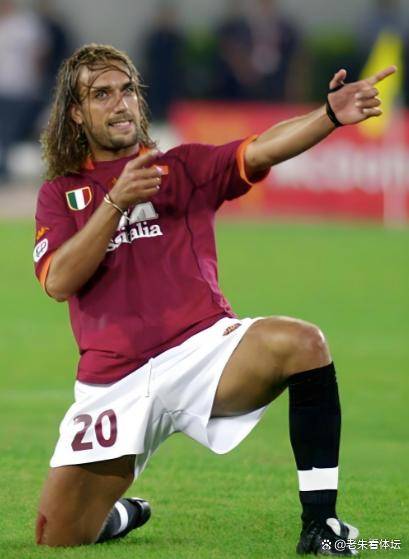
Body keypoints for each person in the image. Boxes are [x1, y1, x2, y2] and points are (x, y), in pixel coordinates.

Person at [33, 43, 395, 555]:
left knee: (302, 343)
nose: (120, 103)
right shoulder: (61, 194)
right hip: (113, 383)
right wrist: (115, 203)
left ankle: (322, 525)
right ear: (76, 112)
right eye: (102, 94)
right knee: (57, 538)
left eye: (127, 90)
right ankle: (120, 513)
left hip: (202, 354)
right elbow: (57, 282)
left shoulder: (181, 168)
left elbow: (260, 150)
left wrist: (329, 116)